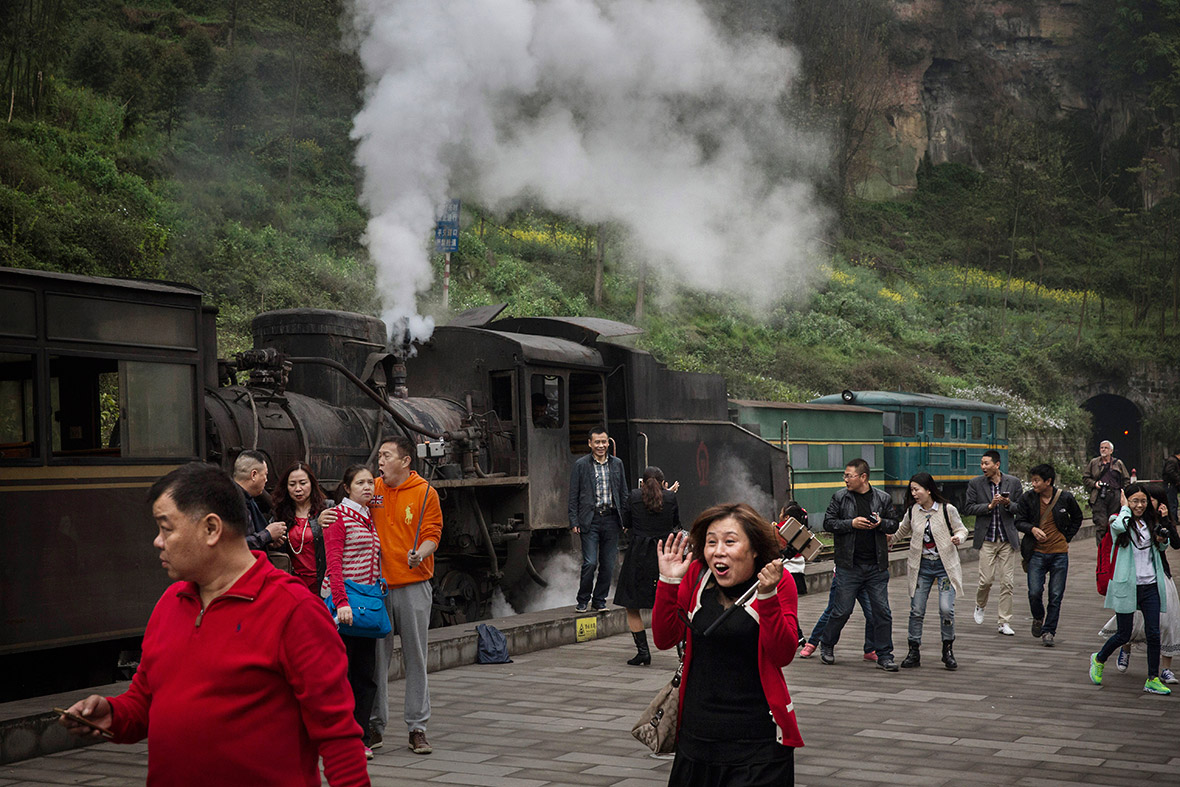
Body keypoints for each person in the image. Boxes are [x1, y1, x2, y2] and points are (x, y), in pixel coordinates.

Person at [58, 463, 369, 785]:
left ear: (211, 529)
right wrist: (113, 714)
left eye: (166, 528)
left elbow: (339, 739)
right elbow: (145, 700)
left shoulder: (295, 610)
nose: (158, 541)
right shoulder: (170, 603)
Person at [652, 504, 803, 784]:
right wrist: (668, 581)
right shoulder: (697, 575)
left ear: (754, 548)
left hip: (758, 743)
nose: (718, 551)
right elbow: (664, 639)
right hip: (697, 737)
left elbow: (783, 654)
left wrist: (768, 597)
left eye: (730, 542)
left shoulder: (778, 583)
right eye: (711, 542)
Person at [371, 435, 441, 755]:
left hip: (413, 585)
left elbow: (432, 536)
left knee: (416, 658)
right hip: (377, 588)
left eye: (386, 456)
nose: (380, 462)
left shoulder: (426, 493)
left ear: (405, 461)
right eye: (380, 457)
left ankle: (417, 727)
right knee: (376, 660)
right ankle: (374, 725)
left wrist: (420, 555)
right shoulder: (372, 490)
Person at [1089, 486, 1174, 695]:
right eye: (1135, 501)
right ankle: (1099, 658)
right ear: (1126, 500)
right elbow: (1118, 527)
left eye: (1143, 501)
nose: (1140, 505)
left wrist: (1163, 540)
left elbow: (1163, 547)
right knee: (1124, 633)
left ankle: (1152, 678)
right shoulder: (1118, 520)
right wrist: (1124, 508)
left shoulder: (1150, 522)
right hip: (1127, 584)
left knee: (1154, 633)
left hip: (1151, 584)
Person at [322, 464, 381, 759]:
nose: (368, 488)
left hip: (367, 605)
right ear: (347, 488)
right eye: (360, 483)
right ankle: (342, 736)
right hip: (345, 606)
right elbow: (333, 564)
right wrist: (341, 602)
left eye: (371, 482)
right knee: (342, 673)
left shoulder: (370, 517)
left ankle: (362, 736)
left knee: (365, 674)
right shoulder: (339, 517)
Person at [819, 458, 900, 670]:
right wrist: (851, 523)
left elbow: (894, 523)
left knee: (882, 612)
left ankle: (885, 655)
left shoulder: (882, 498)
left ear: (863, 477)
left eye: (849, 475)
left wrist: (882, 523)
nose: (845, 479)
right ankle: (827, 644)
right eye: (845, 475)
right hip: (849, 566)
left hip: (876, 566)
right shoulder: (839, 497)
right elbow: (828, 523)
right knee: (841, 611)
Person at [894, 473, 969, 670]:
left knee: (946, 609)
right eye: (911, 490)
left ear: (929, 490)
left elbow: (962, 530)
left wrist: (958, 538)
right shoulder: (913, 511)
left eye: (917, 489)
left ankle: (947, 650)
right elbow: (901, 531)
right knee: (916, 609)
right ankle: (913, 650)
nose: (914, 493)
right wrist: (886, 539)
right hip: (921, 566)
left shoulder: (947, 509)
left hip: (945, 567)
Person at [613, 466, 681, 666]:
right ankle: (682, 652)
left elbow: (626, 522)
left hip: (638, 555)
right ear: (664, 483)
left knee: (632, 606)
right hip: (663, 554)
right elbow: (675, 523)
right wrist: (669, 494)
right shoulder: (670, 498)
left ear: (642, 483)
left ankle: (643, 652)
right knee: (673, 604)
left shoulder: (633, 496)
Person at [1014, 463, 1083, 647]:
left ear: (1048, 481)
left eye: (1036, 481)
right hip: (1036, 553)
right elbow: (1018, 521)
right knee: (1034, 592)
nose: (1033, 484)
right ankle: (1038, 616)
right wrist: (1033, 529)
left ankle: (1049, 631)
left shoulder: (1065, 498)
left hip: (1059, 554)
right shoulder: (1027, 498)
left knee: (1056, 594)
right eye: (1032, 480)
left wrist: (1066, 537)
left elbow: (1078, 518)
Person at [568, 425, 629, 613]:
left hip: (611, 519)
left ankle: (599, 600)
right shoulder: (580, 465)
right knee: (590, 562)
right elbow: (573, 495)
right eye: (597, 442)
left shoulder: (617, 464)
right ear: (590, 443)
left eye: (604, 442)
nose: (601, 445)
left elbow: (623, 493)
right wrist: (574, 521)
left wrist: (625, 519)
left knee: (609, 564)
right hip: (590, 520)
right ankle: (582, 599)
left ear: (608, 442)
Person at [963, 450, 1023, 635]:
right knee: (986, 580)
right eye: (982, 464)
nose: (983, 467)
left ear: (997, 465)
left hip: (1006, 539)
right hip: (987, 539)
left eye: (986, 463)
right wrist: (989, 506)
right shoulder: (975, 483)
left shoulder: (1013, 482)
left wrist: (1007, 503)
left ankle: (1004, 621)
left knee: (1007, 583)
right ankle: (980, 605)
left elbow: (1021, 509)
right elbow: (968, 508)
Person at [798, 566, 877, 663]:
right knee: (833, 612)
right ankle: (812, 642)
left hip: (868, 577)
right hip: (845, 577)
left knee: (873, 613)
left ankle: (870, 649)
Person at [272, 461, 329, 593]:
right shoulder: (280, 514)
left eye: (303, 483)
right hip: (293, 584)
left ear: (312, 484)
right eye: (292, 484)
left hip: (323, 583)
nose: (298, 488)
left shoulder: (326, 509)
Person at [233, 450, 287, 552]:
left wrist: (269, 541)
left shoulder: (248, 500)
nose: (266, 480)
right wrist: (267, 534)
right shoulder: (232, 502)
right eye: (265, 474)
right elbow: (233, 546)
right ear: (254, 475)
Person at [1084, 440, 1130, 546]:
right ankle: (1101, 549)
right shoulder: (1094, 463)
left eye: (1105, 448)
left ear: (1111, 450)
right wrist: (1095, 484)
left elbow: (1126, 479)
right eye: (1101, 448)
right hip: (1099, 496)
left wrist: (1123, 491)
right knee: (1101, 524)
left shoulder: (1118, 463)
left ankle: (1114, 548)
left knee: (1114, 522)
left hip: (1115, 496)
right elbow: (1085, 478)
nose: (1103, 450)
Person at [1163, 448, 1180, 526]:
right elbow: (1169, 471)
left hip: (1172, 485)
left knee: (1174, 502)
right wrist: (1177, 479)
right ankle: (1173, 519)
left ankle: (1175, 518)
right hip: (1170, 484)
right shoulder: (1172, 461)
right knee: (1171, 502)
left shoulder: (1174, 461)